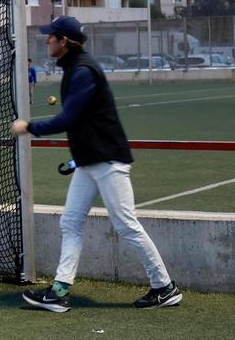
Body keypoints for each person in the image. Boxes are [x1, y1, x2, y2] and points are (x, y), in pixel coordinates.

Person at [11, 16, 181, 313]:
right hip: (91, 162)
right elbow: (87, 125)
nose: (46, 40)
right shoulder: (75, 69)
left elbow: (68, 120)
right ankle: (59, 292)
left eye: (51, 36)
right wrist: (77, 159)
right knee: (71, 222)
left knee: (126, 225)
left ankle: (164, 288)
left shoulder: (83, 72)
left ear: (64, 41)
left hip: (109, 161)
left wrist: (28, 127)